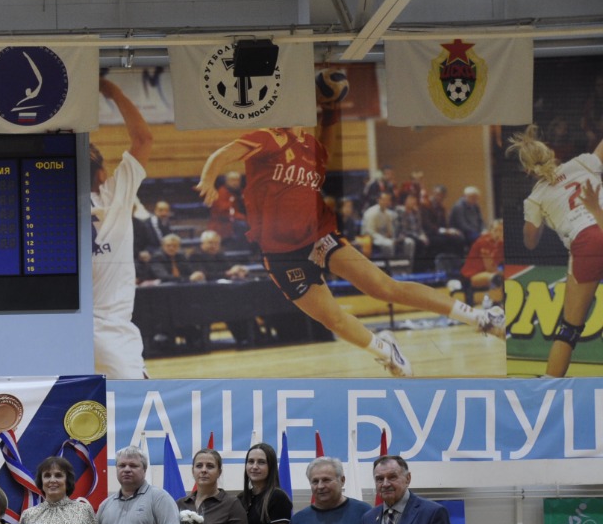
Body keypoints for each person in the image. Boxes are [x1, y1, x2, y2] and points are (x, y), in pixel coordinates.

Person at [196, 119, 504, 380]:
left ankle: (480, 318)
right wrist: (209, 179)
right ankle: (385, 351)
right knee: (333, 319)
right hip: (280, 254)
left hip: (319, 236)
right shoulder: (269, 137)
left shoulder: (314, 149)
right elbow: (224, 154)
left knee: (384, 287)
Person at [507, 125, 603, 376]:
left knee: (569, 329)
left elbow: (530, 242)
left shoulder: (535, 199)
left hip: (587, 241)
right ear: (551, 154)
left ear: (527, 170)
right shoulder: (583, 162)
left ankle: (549, 386)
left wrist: (537, 219)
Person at [90, 77, 155, 379]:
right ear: (102, 174)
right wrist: (112, 90)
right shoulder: (113, 197)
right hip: (112, 336)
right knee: (141, 407)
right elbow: (143, 139)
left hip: (61, 337)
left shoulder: (46, 206)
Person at [239, 441, 292, 524]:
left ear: (271, 467)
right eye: (251, 461)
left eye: (261, 462)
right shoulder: (241, 498)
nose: (254, 466)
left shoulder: (278, 497)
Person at [361, 190, 415, 266]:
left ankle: (408, 267)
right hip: (371, 238)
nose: (386, 202)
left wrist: (396, 238)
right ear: (378, 200)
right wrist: (385, 239)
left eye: (388, 200)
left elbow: (390, 231)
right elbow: (370, 232)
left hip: (384, 237)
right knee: (389, 244)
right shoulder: (371, 213)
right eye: (384, 199)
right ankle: (390, 268)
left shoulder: (388, 213)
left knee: (409, 242)